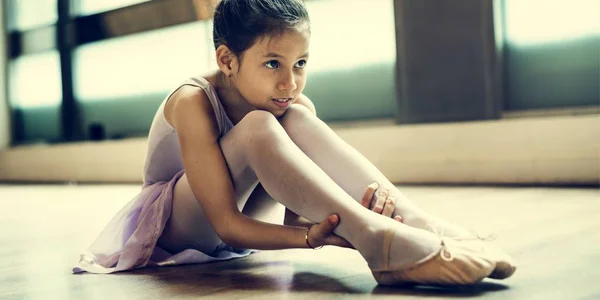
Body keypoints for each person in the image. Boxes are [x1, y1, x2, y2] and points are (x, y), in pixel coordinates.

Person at [73, 0, 516, 285]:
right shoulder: (193, 101)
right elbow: (226, 224)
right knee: (261, 126)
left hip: (241, 222)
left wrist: (339, 208)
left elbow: (291, 197)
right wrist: (309, 237)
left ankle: (415, 223)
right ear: (227, 60)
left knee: (297, 116)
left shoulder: (288, 101)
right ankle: (380, 243)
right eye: (272, 63)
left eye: (300, 62)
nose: (290, 80)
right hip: (176, 226)